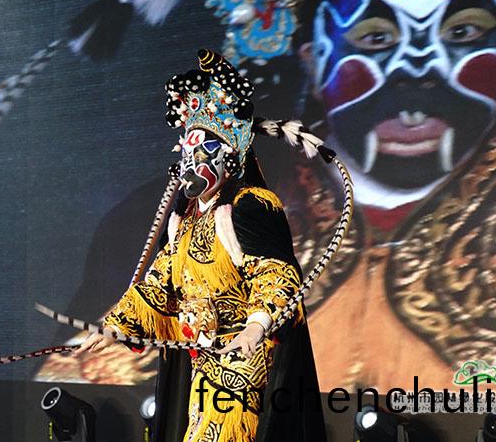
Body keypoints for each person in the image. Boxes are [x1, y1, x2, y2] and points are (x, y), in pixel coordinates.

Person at [285, 0, 496, 391]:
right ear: (313, 62)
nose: (416, 71)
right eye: (376, 38)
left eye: (462, 32)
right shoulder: (245, 230)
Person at [76, 50, 328, 442]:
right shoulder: (185, 220)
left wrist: (255, 327)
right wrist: (115, 326)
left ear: (230, 158)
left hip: (243, 358)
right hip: (203, 359)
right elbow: (159, 282)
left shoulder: (249, 206)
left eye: (204, 153)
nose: (194, 163)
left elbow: (276, 273)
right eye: (188, 153)